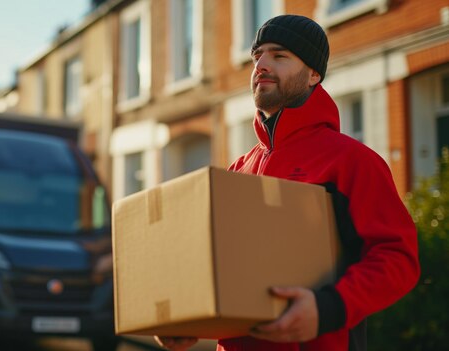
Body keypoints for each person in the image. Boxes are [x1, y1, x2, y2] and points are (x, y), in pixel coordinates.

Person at [155, 14, 419, 351]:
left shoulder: (353, 162)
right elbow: (221, 269)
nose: (261, 65)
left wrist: (328, 309)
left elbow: (398, 259)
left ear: (313, 74)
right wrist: (190, 318)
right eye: (257, 56)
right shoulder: (237, 170)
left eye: (279, 56)